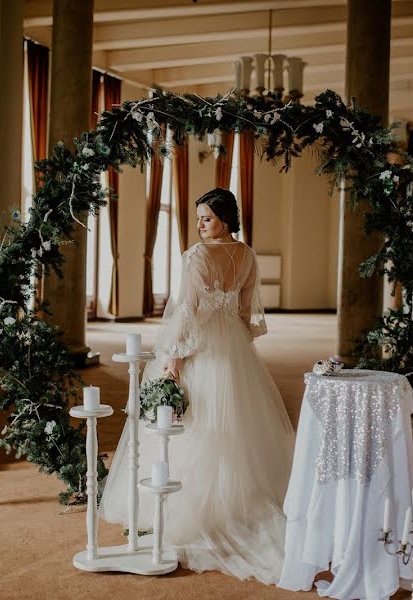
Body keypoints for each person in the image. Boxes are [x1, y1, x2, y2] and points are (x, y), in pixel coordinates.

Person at [99, 188, 295, 584]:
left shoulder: (198, 256)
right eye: (199, 217)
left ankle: (195, 511)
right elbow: (243, 312)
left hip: (202, 348)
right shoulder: (248, 255)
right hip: (234, 349)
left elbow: (186, 311)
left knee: (193, 424)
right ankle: (236, 500)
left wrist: (173, 359)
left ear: (224, 218)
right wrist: (234, 347)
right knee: (236, 424)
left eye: (207, 217)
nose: (201, 224)